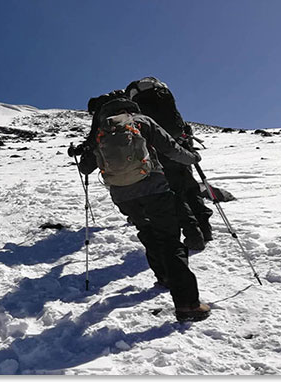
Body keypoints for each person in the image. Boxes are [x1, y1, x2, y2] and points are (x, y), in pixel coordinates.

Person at [68, 96, 210, 321]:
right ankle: (188, 305)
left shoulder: (102, 129)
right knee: (169, 239)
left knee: (147, 232)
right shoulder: (142, 121)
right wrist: (193, 157)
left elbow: (86, 168)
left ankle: (163, 277)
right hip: (154, 189)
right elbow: (171, 148)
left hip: (123, 196)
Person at [125, 77, 213, 250]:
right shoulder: (161, 94)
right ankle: (205, 229)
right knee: (190, 186)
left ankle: (194, 236)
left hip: (161, 149)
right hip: (181, 143)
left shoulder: (138, 102)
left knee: (175, 193)